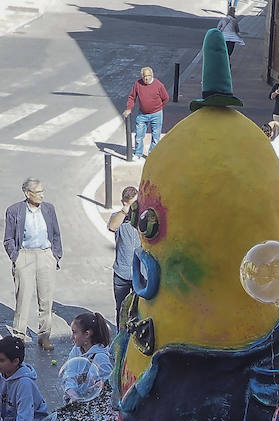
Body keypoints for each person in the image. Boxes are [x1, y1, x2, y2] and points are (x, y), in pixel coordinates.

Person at [3, 179, 63, 350]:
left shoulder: (49, 209)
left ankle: (44, 335)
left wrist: (55, 256)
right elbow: (8, 238)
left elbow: (56, 234)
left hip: (46, 254)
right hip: (25, 255)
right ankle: (19, 336)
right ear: (27, 193)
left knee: (46, 299)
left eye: (43, 191)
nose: (42, 195)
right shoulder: (14, 210)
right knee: (23, 298)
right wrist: (16, 257)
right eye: (38, 192)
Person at [61, 312, 113, 403]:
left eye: (74, 332)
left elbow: (109, 385)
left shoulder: (101, 358)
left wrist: (103, 384)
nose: (72, 337)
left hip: (94, 404)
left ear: (87, 334)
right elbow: (69, 374)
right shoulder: (76, 350)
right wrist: (72, 393)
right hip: (78, 400)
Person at [107, 187, 141, 322]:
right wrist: (124, 211)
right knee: (121, 310)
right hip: (122, 272)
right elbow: (112, 227)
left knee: (141, 310)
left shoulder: (142, 218)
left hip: (141, 274)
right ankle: (121, 338)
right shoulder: (118, 217)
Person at [124, 66, 170, 159]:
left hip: (156, 114)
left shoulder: (158, 85)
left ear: (152, 75)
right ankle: (138, 153)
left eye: (148, 76)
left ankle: (152, 155)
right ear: (142, 76)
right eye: (144, 76)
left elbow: (165, 98)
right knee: (139, 135)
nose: (146, 78)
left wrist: (157, 107)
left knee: (156, 136)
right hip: (143, 114)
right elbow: (132, 97)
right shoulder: (138, 84)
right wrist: (129, 108)